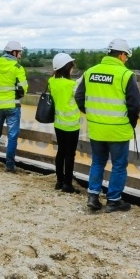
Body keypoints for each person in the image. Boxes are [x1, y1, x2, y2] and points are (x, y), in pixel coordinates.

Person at [76, 38, 140, 213]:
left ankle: (93, 196)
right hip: (118, 129)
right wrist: (131, 123)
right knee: (119, 165)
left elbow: (79, 97)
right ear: (121, 55)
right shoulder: (126, 75)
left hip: (96, 128)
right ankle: (113, 200)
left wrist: (92, 114)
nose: (126, 59)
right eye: (126, 56)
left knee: (97, 161)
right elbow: (135, 104)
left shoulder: (90, 72)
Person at [0, 41, 28, 173]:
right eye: (19, 52)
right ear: (14, 52)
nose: (20, 55)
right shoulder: (17, 67)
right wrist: (15, 96)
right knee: (12, 136)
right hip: (12, 106)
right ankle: (9, 165)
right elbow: (23, 88)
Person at [49, 53, 81, 193]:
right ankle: (68, 184)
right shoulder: (72, 85)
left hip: (58, 123)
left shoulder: (51, 82)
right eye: (71, 66)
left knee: (61, 152)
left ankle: (59, 181)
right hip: (72, 124)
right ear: (67, 68)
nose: (73, 68)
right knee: (70, 154)